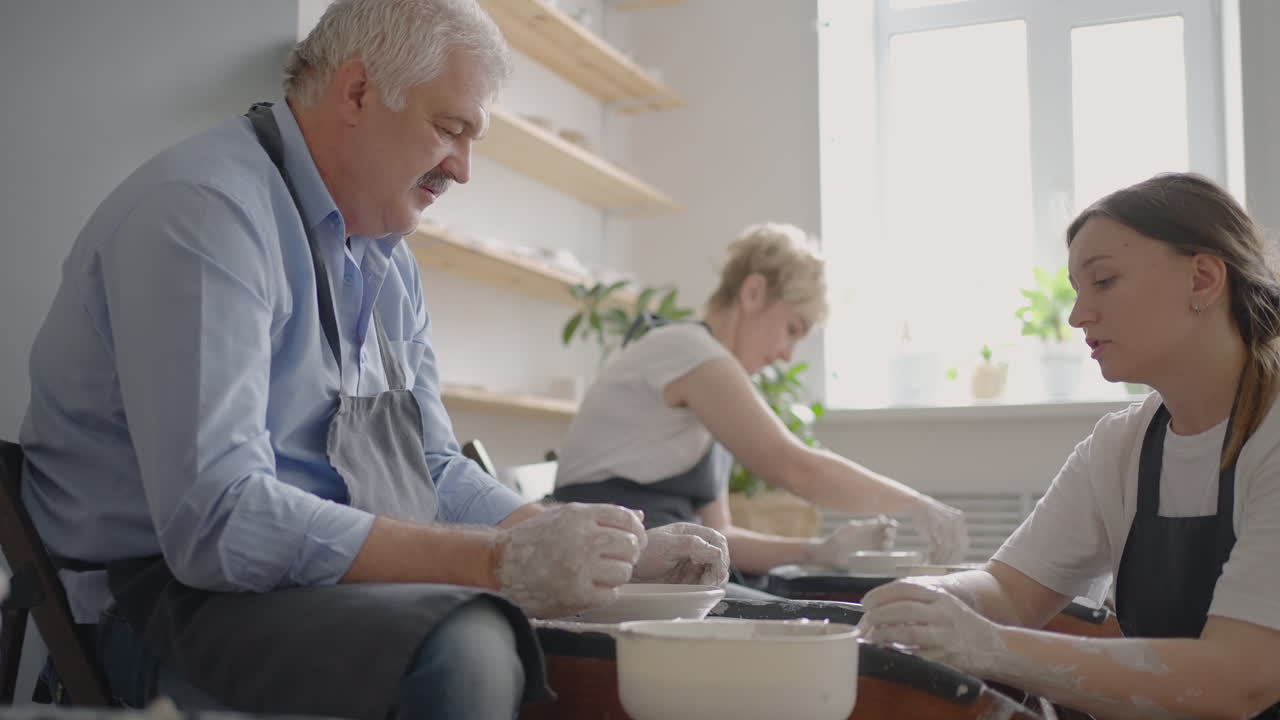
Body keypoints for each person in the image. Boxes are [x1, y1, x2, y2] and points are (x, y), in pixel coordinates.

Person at [17, 1, 729, 718]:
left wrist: (591, 548)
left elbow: (436, 468)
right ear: (357, 92)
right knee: (470, 645)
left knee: (631, 623)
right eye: (450, 129)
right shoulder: (205, 214)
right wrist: (494, 562)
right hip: (155, 605)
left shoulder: (384, 259)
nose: (464, 168)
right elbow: (218, 523)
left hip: (305, 592)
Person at [857, 173, 1280, 719]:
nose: (1079, 314)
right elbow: (1008, 593)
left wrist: (988, 646)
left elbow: (1238, 677)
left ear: (1201, 278)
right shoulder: (1120, 445)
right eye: (1078, 290)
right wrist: (928, 600)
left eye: (1102, 281)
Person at [552, 222, 969, 589]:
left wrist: (821, 550)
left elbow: (722, 534)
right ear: (753, 293)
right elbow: (795, 467)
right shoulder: (688, 351)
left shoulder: (703, 377)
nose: (788, 354)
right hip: (621, 564)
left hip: (670, 563)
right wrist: (916, 504)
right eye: (791, 329)